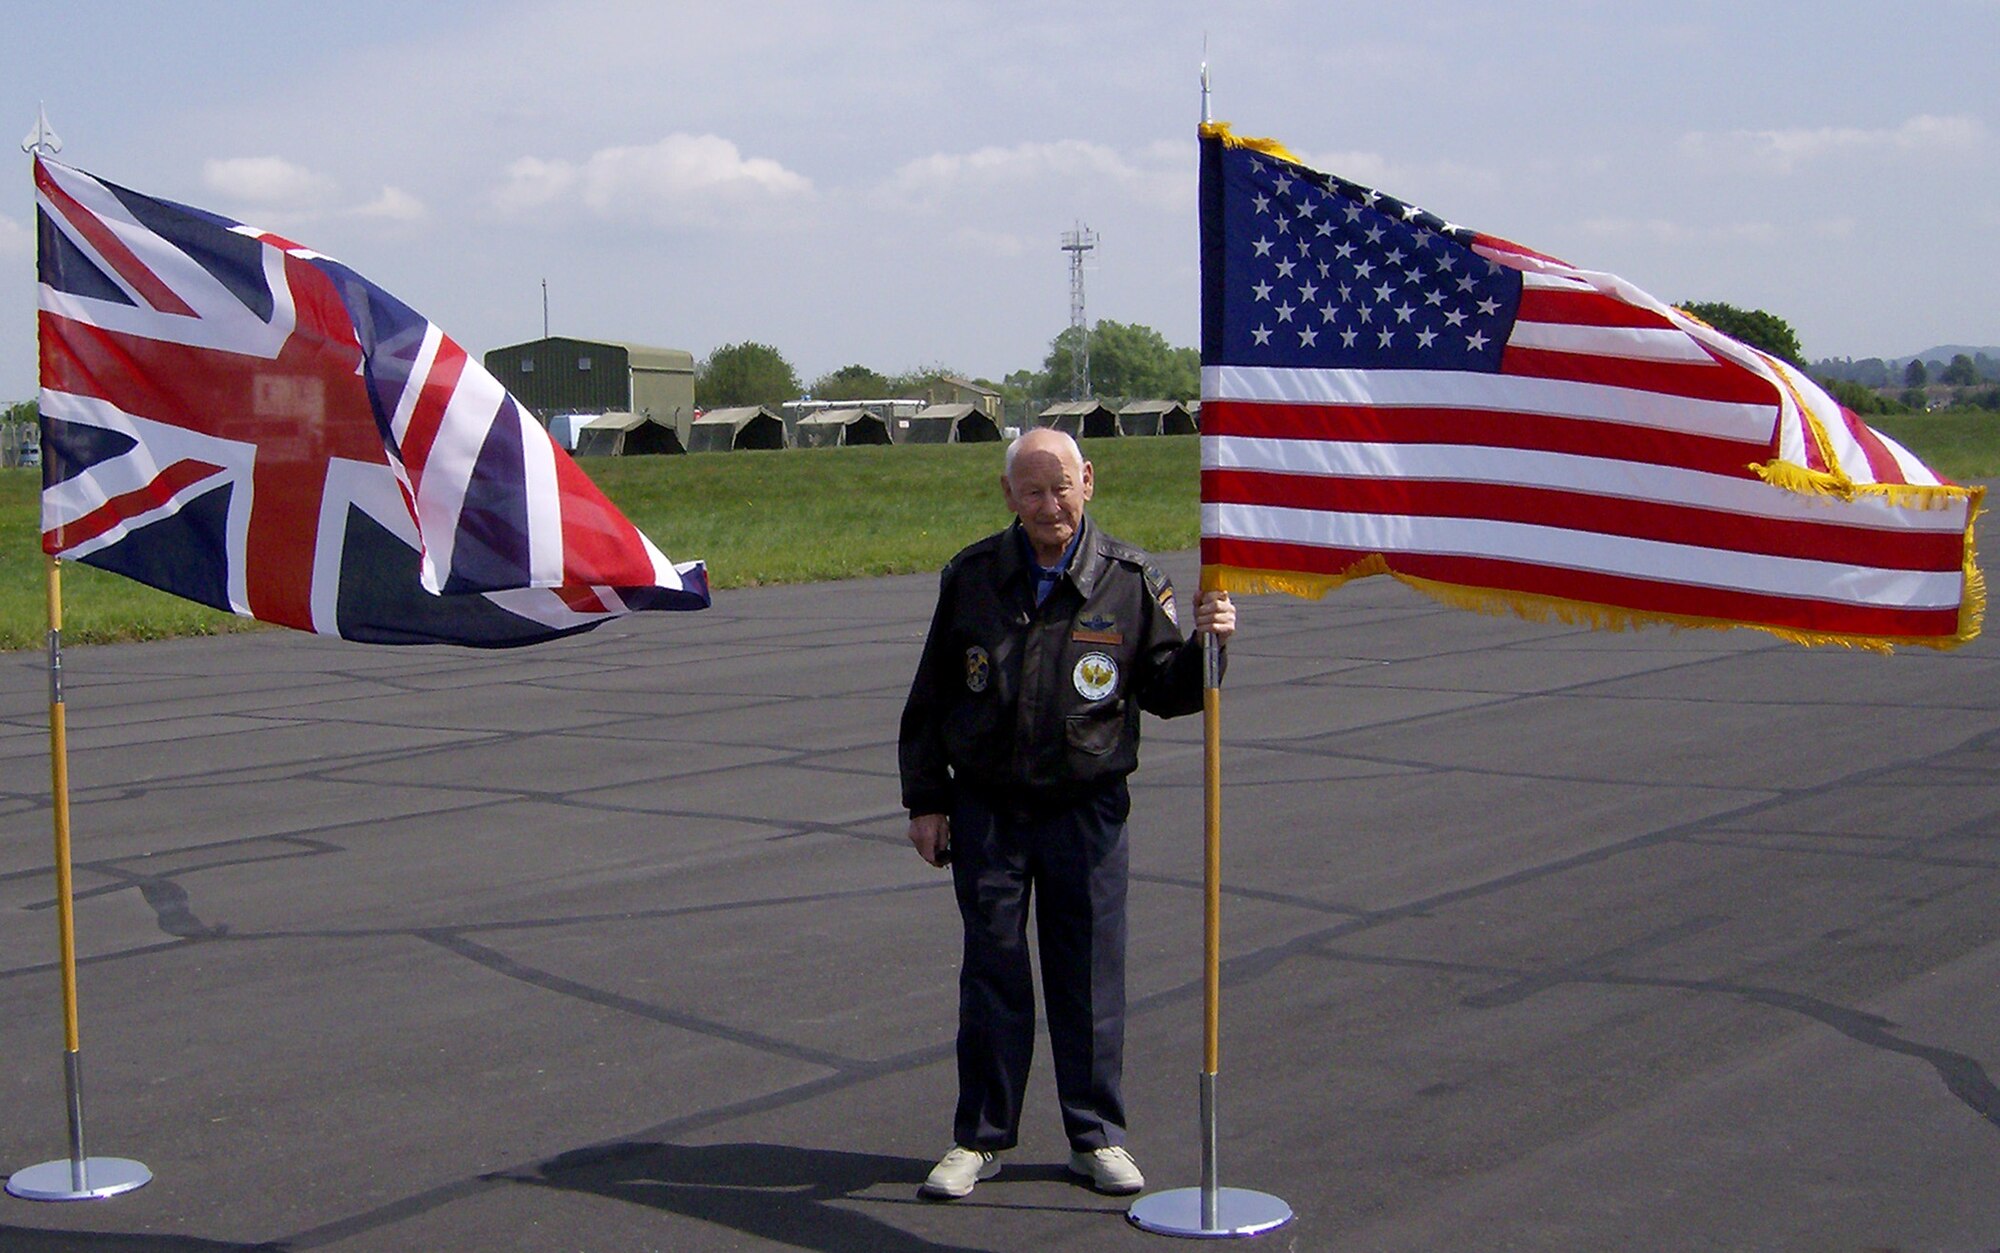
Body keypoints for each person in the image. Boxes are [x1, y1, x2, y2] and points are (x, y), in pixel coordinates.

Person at [899, 426, 1236, 1200]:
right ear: (1008, 496)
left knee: (1087, 975)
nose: (1049, 504)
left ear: (1089, 481)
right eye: (1031, 490)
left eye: (1061, 487)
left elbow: (1171, 690)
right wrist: (926, 799)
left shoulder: (1129, 577)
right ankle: (978, 1139)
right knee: (993, 970)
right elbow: (932, 696)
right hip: (989, 808)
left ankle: (1095, 1134)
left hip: (1086, 810)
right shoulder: (974, 575)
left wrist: (1211, 648)